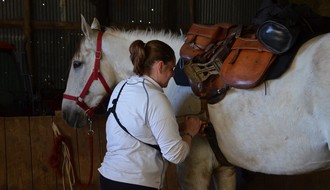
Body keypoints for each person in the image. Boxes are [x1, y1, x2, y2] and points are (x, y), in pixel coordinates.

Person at [98, 39, 203, 190]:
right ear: (160, 66)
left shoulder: (122, 86)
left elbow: (141, 126)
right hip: (136, 183)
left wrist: (178, 127)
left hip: (108, 178)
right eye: (172, 68)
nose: (173, 74)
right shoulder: (155, 98)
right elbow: (175, 155)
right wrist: (189, 132)